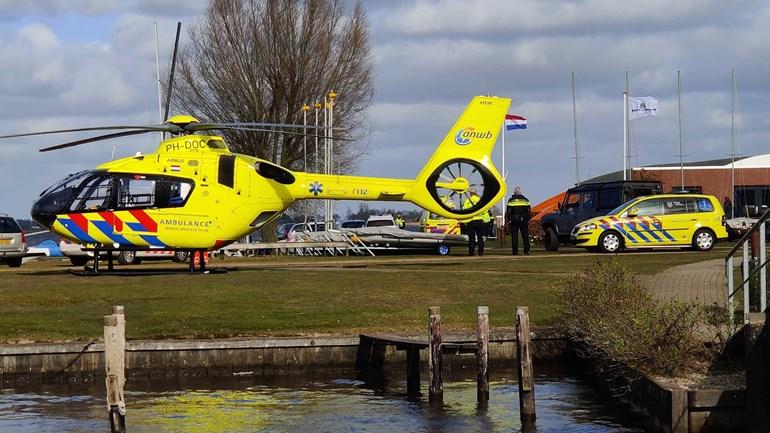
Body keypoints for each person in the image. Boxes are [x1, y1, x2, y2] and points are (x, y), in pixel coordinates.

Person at [506, 186, 531, 255]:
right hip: (524, 219)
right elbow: (529, 211)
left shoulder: (511, 200)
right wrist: (528, 218)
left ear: (514, 192)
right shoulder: (526, 200)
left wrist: (509, 219)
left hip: (514, 219)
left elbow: (508, 211)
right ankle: (526, 251)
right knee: (525, 235)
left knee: (514, 236)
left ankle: (515, 252)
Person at [463, 189, 486, 256]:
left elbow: (464, 210)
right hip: (479, 220)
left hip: (470, 221)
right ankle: (481, 252)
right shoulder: (480, 200)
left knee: (471, 238)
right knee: (480, 237)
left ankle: (471, 252)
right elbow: (484, 210)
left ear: (470, 193)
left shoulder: (467, 201)